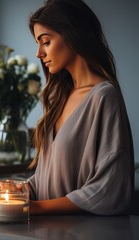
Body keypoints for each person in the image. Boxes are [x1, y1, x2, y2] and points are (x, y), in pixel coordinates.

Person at [27, 0, 134, 215]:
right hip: (45, 231)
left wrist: (36, 208)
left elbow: (109, 189)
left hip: (82, 232)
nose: (39, 53)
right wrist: (20, 189)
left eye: (45, 42)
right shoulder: (58, 96)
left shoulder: (103, 96)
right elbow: (48, 177)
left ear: (73, 35)